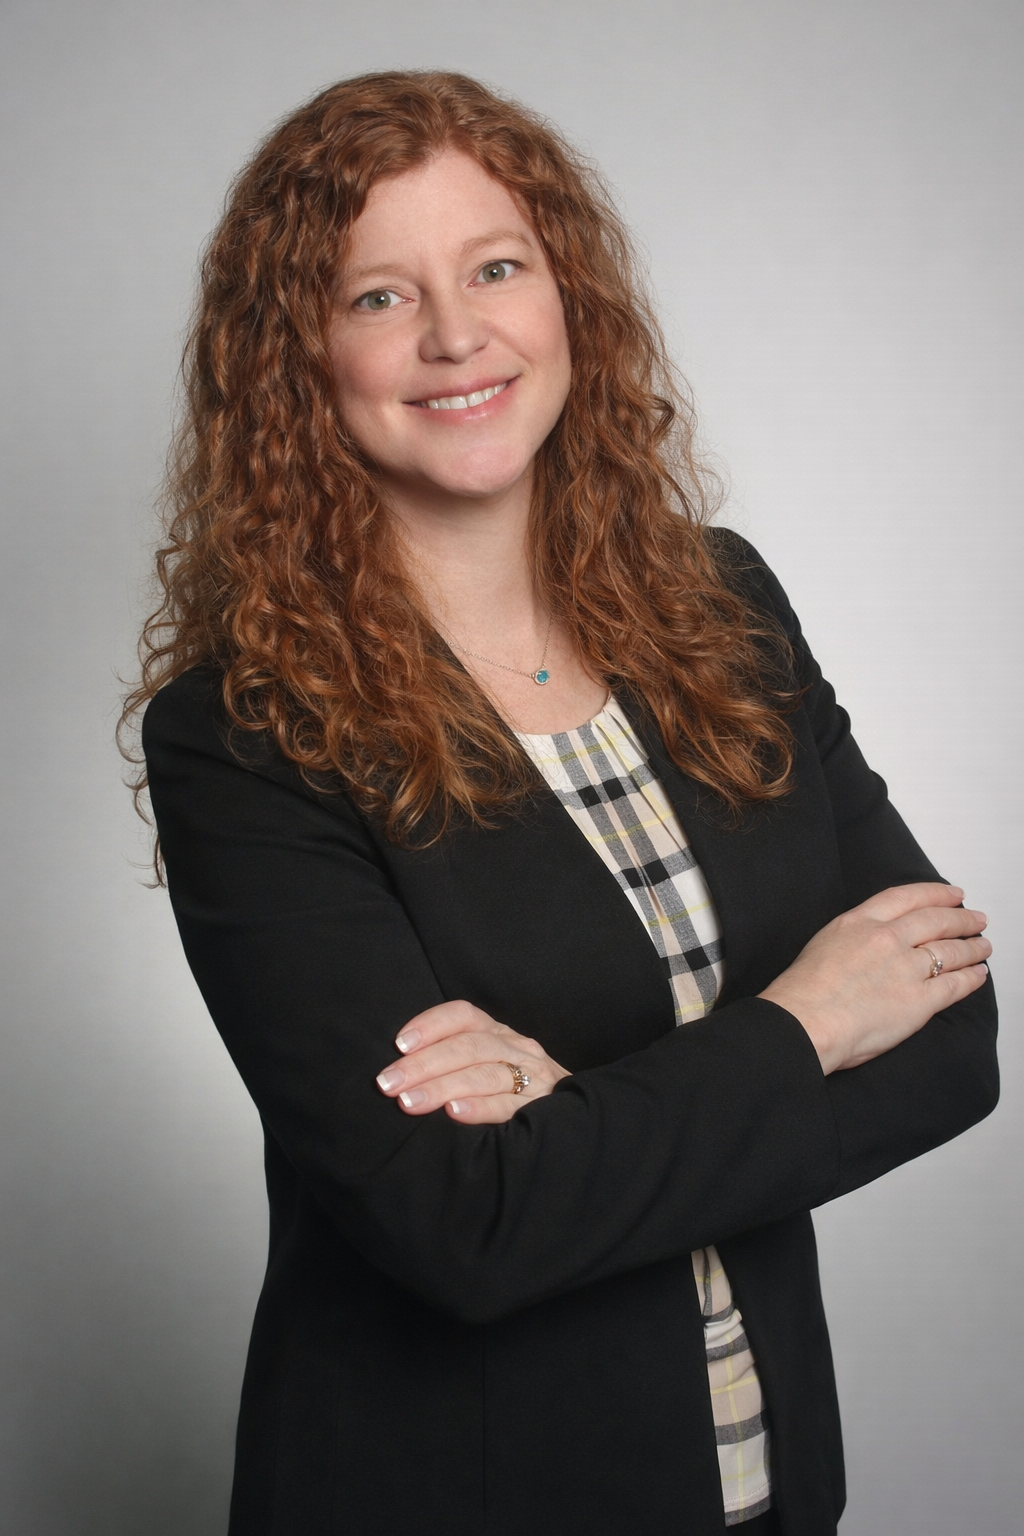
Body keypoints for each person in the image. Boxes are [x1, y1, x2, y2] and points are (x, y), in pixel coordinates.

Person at [126, 71, 997, 1536]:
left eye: (495, 267)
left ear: (567, 299)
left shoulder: (725, 609)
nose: (457, 333)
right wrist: (805, 1025)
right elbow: (462, 1222)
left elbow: (953, 1037)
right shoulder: (246, 737)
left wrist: (575, 1118)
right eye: (379, 297)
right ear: (298, 362)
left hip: (767, 1489)